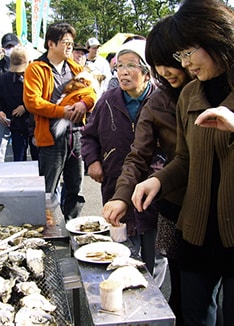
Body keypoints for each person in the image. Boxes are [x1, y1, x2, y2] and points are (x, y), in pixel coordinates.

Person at [131, 1, 234, 325]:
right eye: (181, 56)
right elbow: (185, 159)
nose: (186, 63)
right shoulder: (190, 94)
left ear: (215, 38)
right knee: (192, 315)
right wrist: (157, 181)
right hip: (197, 231)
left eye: (190, 52)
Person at [101, 16, 193, 324]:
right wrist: (120, 196)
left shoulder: (207, 91)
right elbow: (137, 154)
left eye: (171, 61)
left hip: (213, 207)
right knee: (185, 287)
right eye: (158, 65)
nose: (165, 72)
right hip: (175, 202)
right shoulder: (157, 103)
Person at [81, 39, 166, 283]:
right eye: (119, 66)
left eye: (132, 66)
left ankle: (155, 302)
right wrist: (93, 161)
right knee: (120, 248)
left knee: (154, 252)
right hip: (115, 183)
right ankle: (127, 295)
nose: (124, 72)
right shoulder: (108, 100)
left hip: (152, 189)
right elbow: (88, 136)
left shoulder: (161, 101)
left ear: (147, 72)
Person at [23, 22, 96, 220]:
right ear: (51, 44)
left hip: (76, 134)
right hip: (50, 136)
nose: (70, 47)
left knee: (75, 184)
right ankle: (47, 226)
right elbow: (32, 102)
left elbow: (91, 92)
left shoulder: (75, 67)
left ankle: (73, 224)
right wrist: (61, 111)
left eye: (71, 43)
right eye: (65, 42)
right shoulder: (36, 69)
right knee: (49, 186)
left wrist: (84, 104)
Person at [0, 46, 38, 162]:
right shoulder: (3, 79)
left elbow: (44, 97)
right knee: (19, 160)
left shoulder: (37, 78)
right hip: (17, 126)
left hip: (37, 125)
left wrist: (26, 106)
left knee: (39, 162)